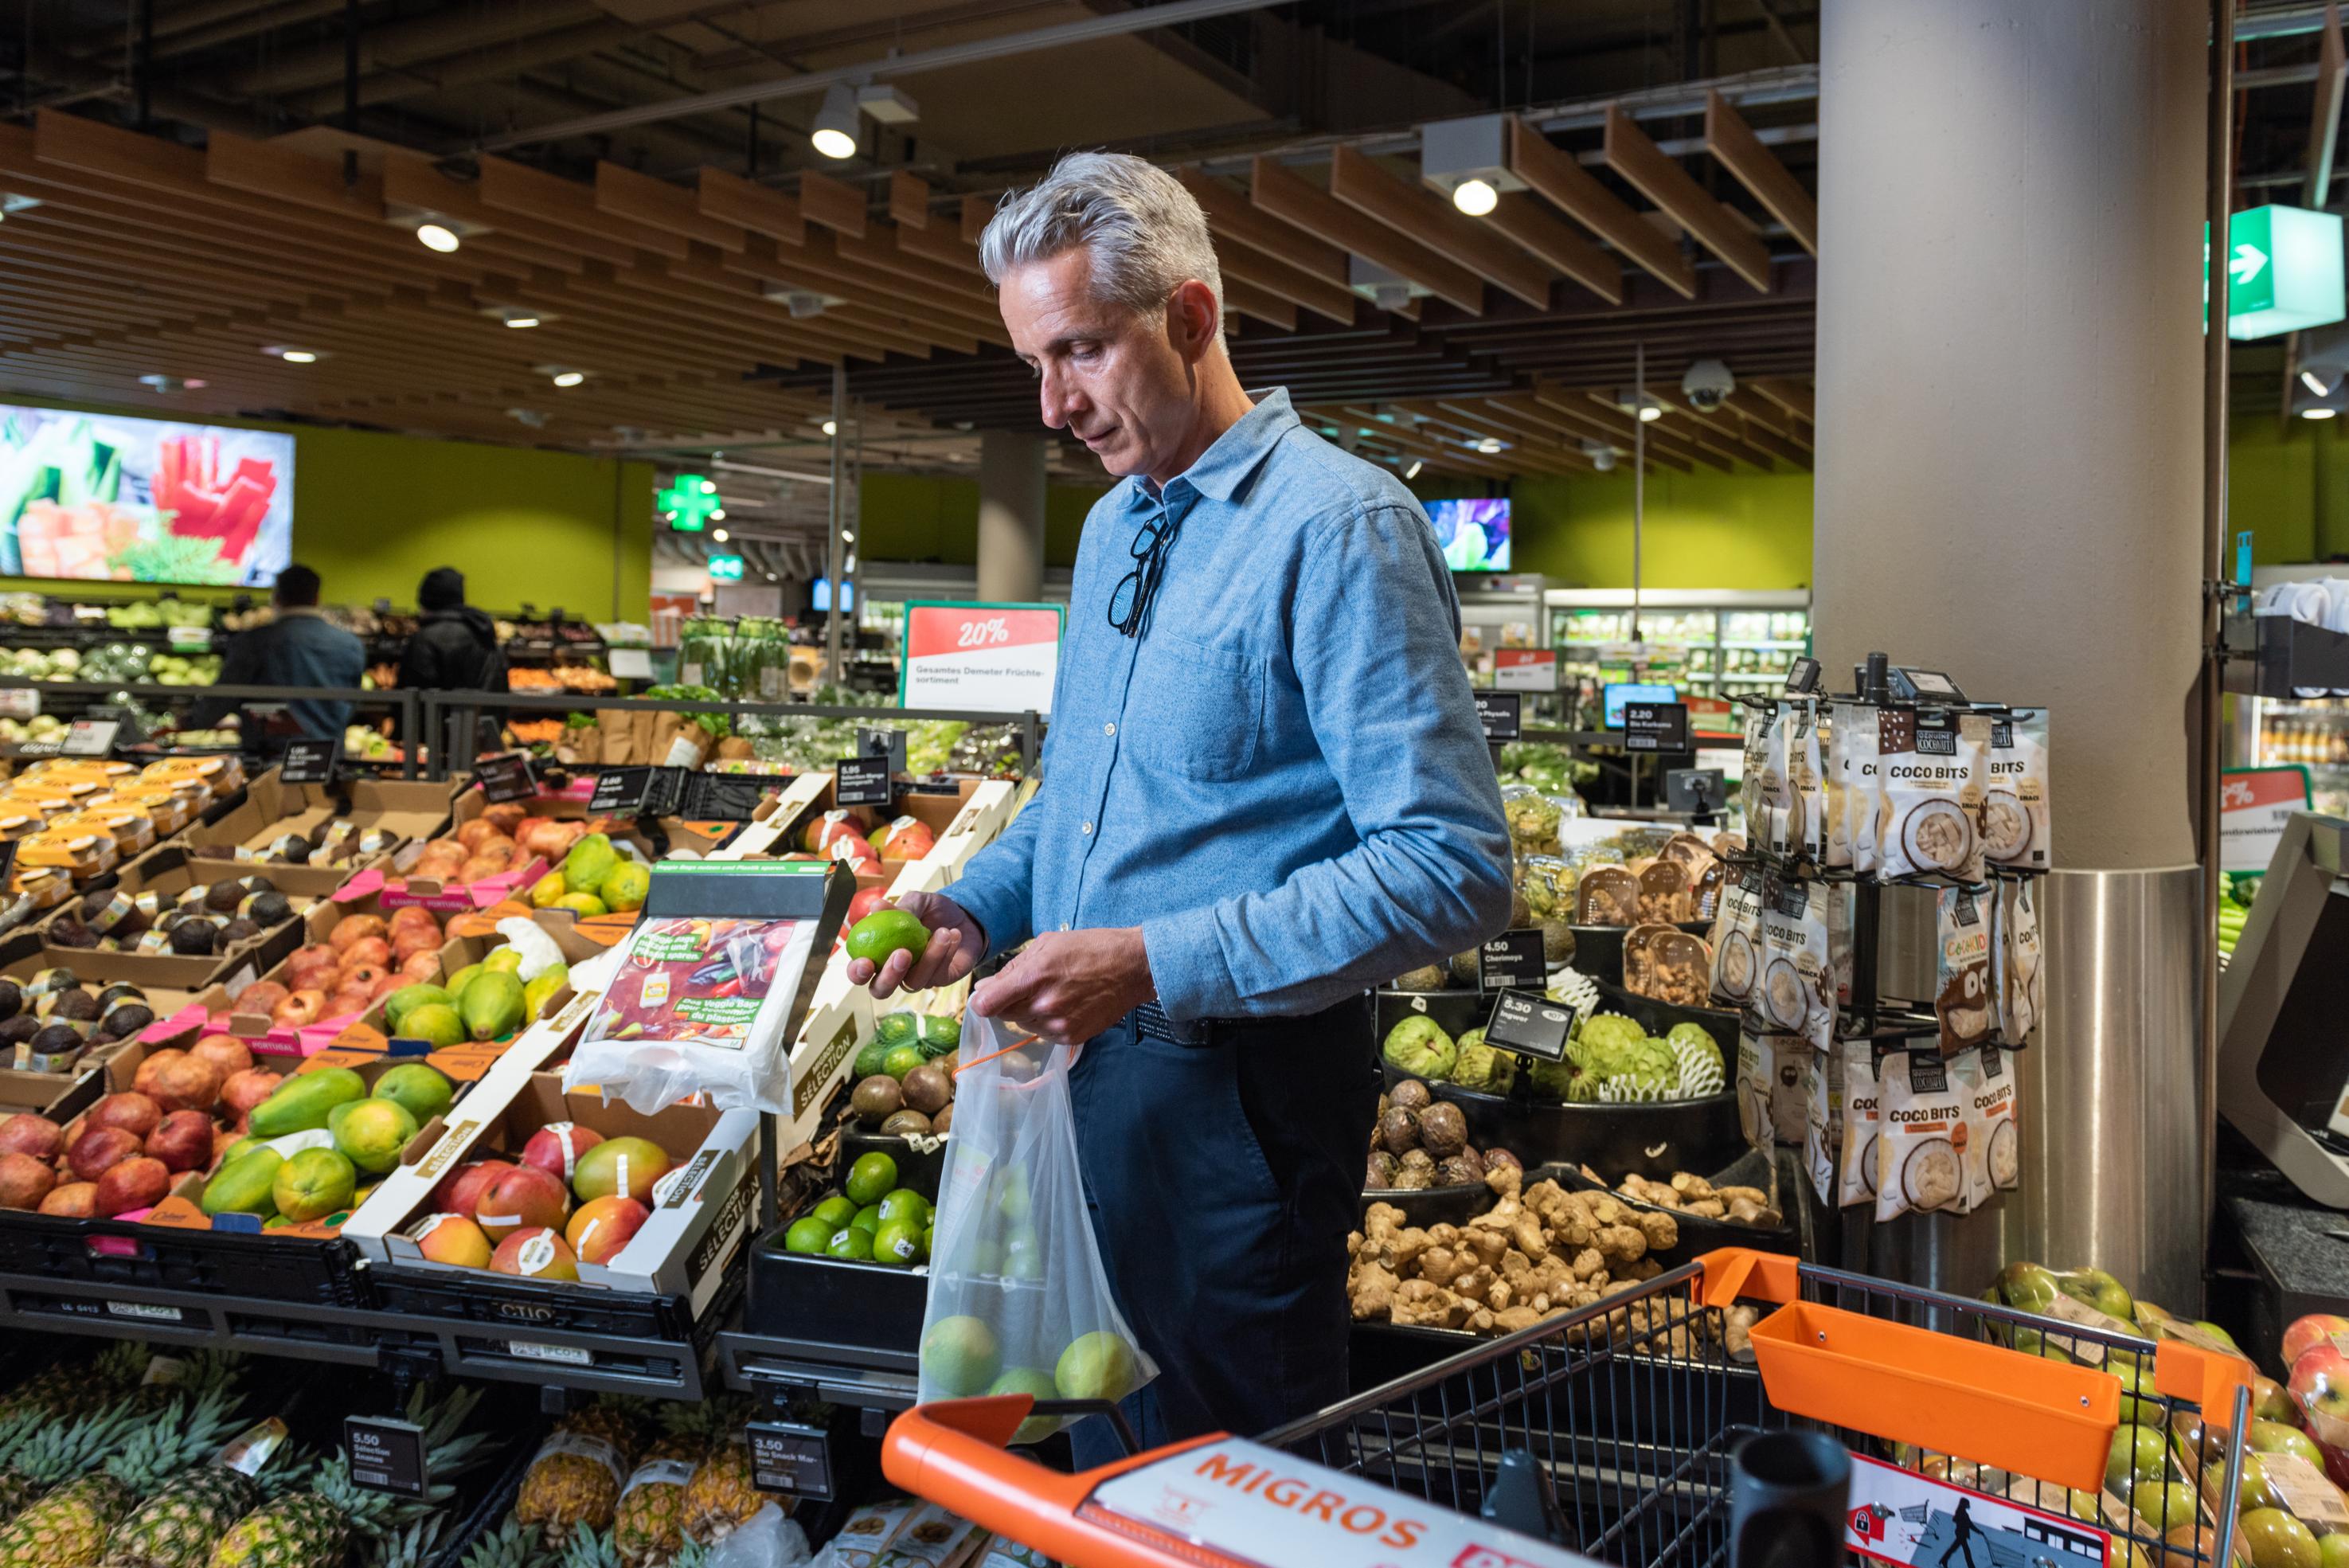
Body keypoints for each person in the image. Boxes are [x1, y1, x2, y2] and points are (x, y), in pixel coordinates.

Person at [847, 151, 1512, 1459]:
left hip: (1240, 1102)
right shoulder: (1114, 530)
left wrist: (1151, 960)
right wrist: (978, 907)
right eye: (1035, 364)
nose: (1052, 405)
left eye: (1081, 351)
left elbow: (1454, 863)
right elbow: (1089, 796)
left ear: (1192, 320)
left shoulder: (1338, 530)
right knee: (1108, 1448)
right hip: (1094, 1080)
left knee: (1229, 1472)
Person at [183, 563, 364, 741]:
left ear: (277, 598)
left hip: (271, 756)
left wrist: (191, 723)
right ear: (317, 598)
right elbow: (350, 702)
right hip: (326, 755)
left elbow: (222, 697)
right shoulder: (351, 644)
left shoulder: (252, 642)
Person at [397, 567, 506, 694]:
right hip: (484, 712)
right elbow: (499, 682)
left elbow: (413, 691)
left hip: (440, 713)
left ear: (427, 603)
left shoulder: (425, 639)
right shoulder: (483, 630)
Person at [1938, 1499, 1979, 1568]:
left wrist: (1979, 1531)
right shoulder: (1961, 1512)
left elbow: (1970, 1524)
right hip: (1961, 1534)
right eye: (1967, 1504)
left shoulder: (1964, 1513)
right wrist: (1978, 1531)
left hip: (1962, 1534)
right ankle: (1971, 1567)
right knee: (1966, 1551)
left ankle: (1944, 1560)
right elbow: (1968, 1524)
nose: (1968, 1505)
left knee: (1955, 1548)